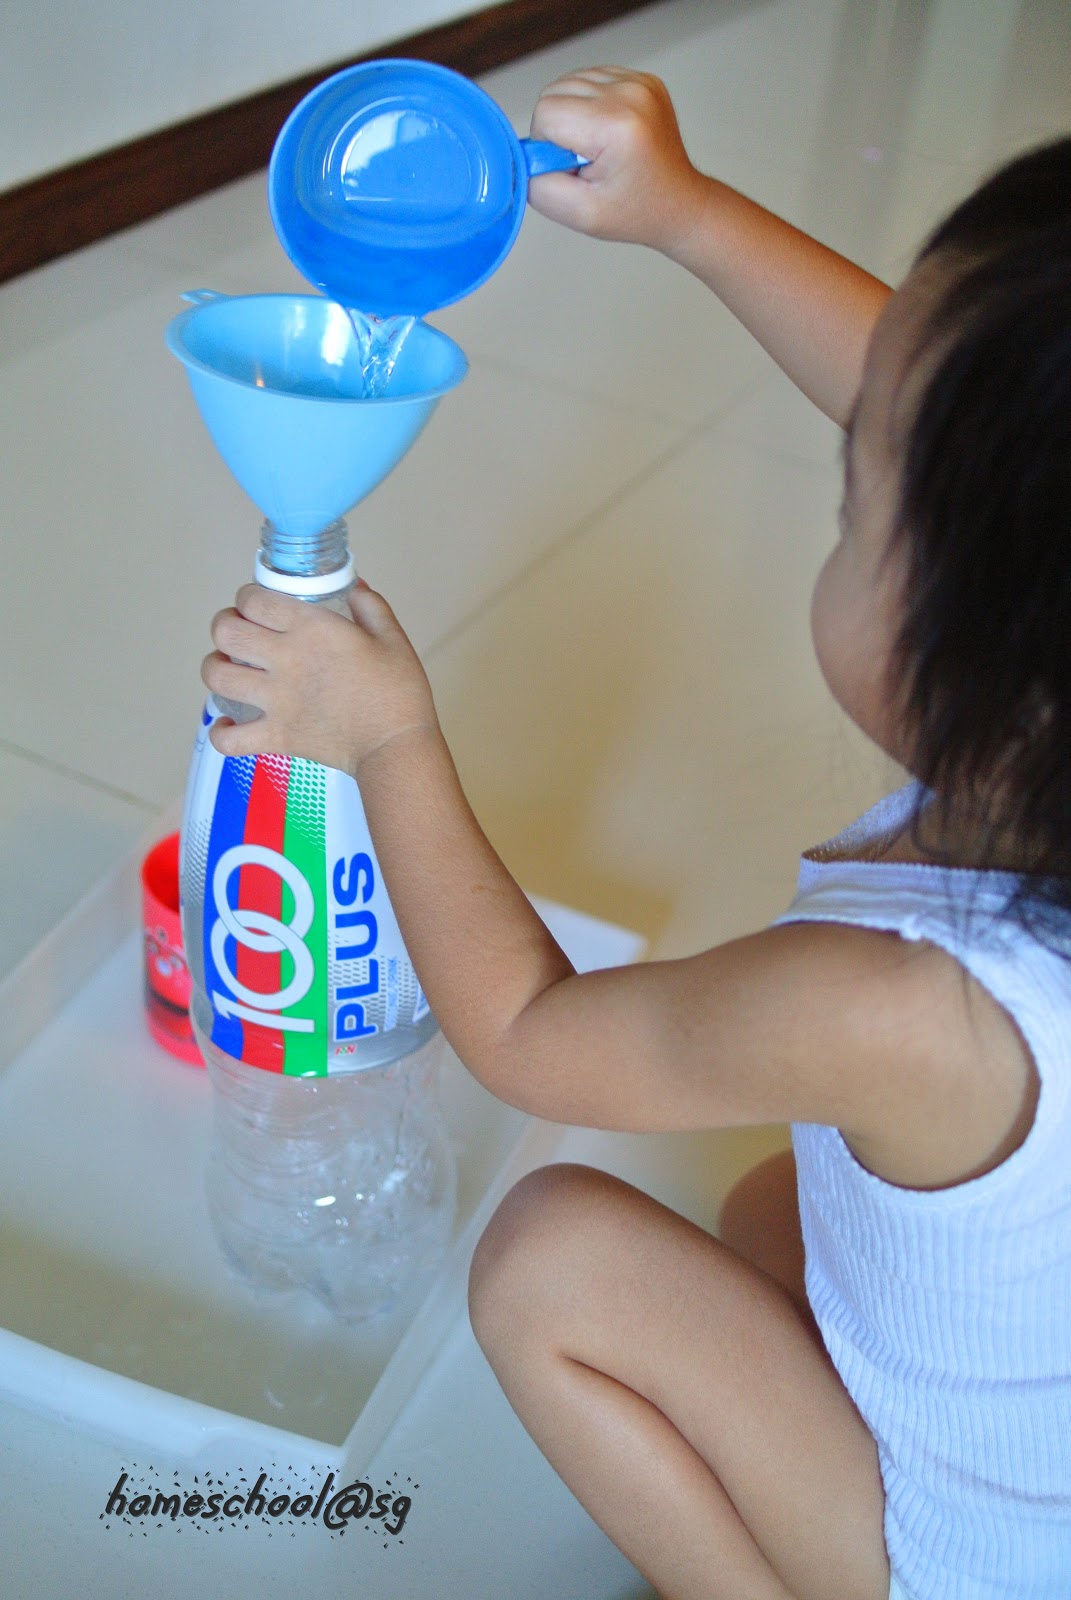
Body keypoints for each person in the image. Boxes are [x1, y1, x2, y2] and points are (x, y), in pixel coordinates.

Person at [200, 69, 1071, 1600]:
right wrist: (688, 216)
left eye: (855, 502)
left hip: (979, 1559)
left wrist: (387, 734)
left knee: (556, 1259)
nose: (849, 459)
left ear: (986, 677)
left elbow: (535, 1037)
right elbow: (943, 402)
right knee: (762, 1207)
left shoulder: (899, 1007)